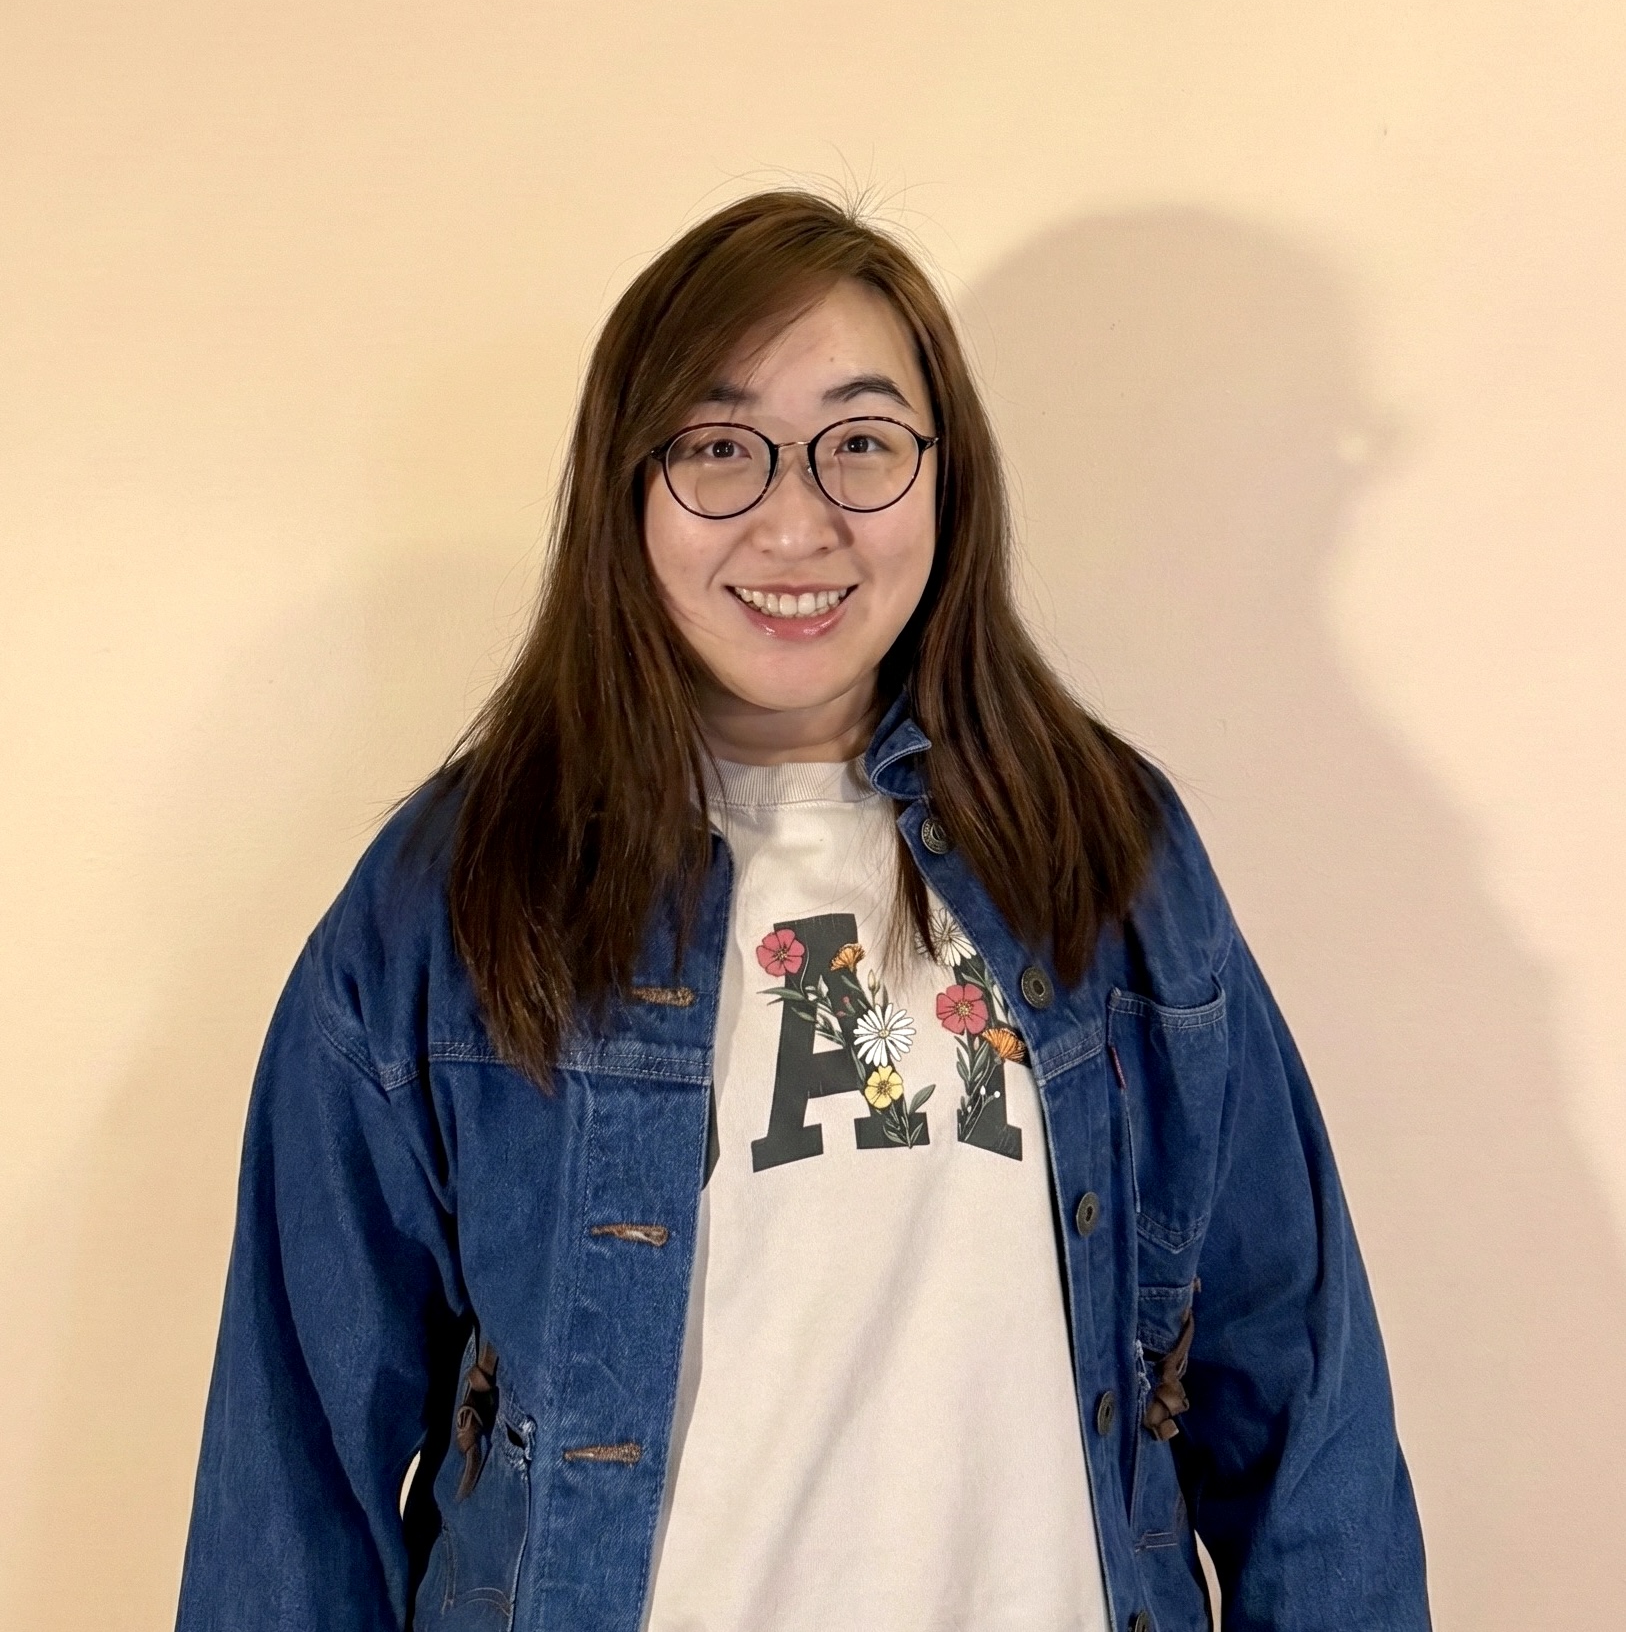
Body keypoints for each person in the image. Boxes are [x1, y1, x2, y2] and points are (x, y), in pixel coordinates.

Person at [176, 191, 1430, 1632]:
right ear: (626, 489)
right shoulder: (454, 897)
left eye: (861, 443)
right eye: (719, 448)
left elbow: (1296, 1397)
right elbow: (291, 1477)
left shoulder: (1107, 852)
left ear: (942, 476)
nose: (795, 518)